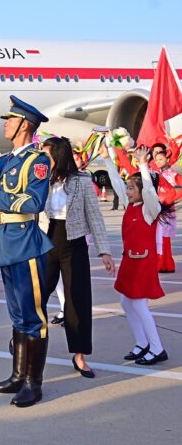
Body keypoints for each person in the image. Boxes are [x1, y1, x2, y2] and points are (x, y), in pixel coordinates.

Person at [0, 95, 53, 407]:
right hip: (6, 241)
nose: (5, 123)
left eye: (11, 119)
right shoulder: (6, 160)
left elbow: (34, 202)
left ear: (25, 125)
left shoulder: (39, 161)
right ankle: (18, 376)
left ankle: (34, 383)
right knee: (17, 314)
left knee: (34, 317)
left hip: (26, 242)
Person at [41, 136, 115, 378]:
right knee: (36, 294)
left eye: (47, 155)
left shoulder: (81, 181)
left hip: (73, 243)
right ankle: (23, 338)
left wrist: (104, 251)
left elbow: (95, 216)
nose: (43, 159)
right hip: (46, 240)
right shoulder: (42, 180)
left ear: (59, 156)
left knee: (77, 300)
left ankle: (80, 355)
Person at [114, 146, 171, 365]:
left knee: (138, 305)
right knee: (126, 303)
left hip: (144, 263)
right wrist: (109, 158)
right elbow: (117, 183)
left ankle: (157, 348)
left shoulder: (150, 210)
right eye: (127, 188)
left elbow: (149, 190)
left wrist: (143, 166)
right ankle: (142, 343)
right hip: (130, 261)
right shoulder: (131, 205)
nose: (127, 192)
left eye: (131, 189)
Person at [150, 142, 181, 273]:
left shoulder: (172, 174)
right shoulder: (155, 173)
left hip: (166, 210)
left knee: (164, 239)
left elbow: (179, 191)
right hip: (157, 209)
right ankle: (162, 263)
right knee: (157, 238)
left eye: (161, 159)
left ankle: (165, 264)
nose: (158, 161)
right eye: (156, 159)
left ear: (167, 159)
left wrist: (169, 199)